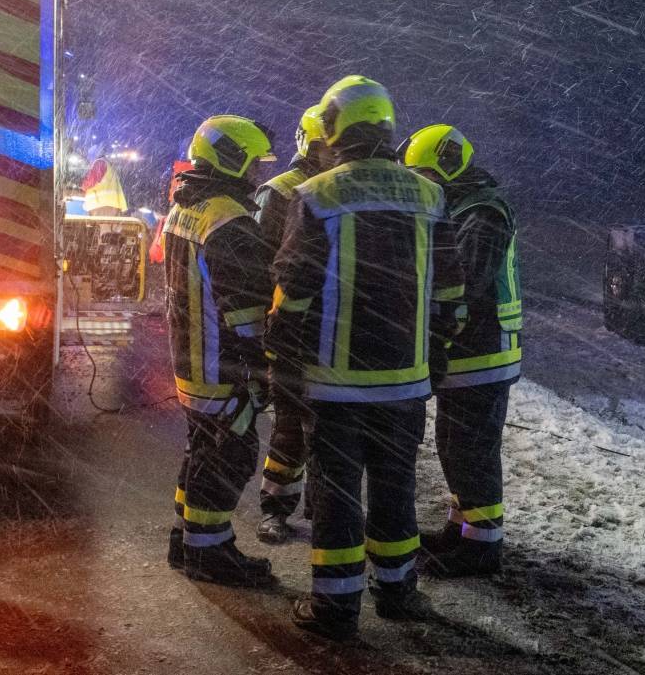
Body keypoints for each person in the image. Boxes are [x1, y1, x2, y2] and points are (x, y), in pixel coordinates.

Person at [268, 76, 464, 640]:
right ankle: (399, 592)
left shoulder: (318, 195)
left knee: (336, 493)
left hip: (336, 384)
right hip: (405, 383)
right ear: (386, 126)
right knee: (396, 486)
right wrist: (437, 355)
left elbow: (293, 293)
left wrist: (283, 360)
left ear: (332, 128)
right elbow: (451, 291)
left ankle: (335, 609)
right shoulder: (430, 195)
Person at [161, 115, 277, 588]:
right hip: (220, 364)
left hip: (191, 361)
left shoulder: (185, 207)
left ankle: (187, 537)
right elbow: (246, 311)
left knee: (202, 448)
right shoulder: (230, 220)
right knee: (230, 454)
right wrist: (262, 366)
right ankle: (209, 554)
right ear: (232, 160)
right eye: (252, 164)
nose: (257, 175)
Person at [402, 124, 522, 577]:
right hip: (470, 352)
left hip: (484, 352)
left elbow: (466, 283)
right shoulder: (465, 206)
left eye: (424, 175)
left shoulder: (483, 213)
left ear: (445, 167)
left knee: (472, 450)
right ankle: (463, 528)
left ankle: (483, 548)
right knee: (454, 445)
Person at [253, 104, 332, 544]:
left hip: (323, 328)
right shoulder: (281, 191)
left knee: (324, 427)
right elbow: (259, 266)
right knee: (290, 425)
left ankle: (321, 509)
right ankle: (277, 509)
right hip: (294, 326)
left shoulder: (330, 189)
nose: (328, 155)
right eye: (322, 147)